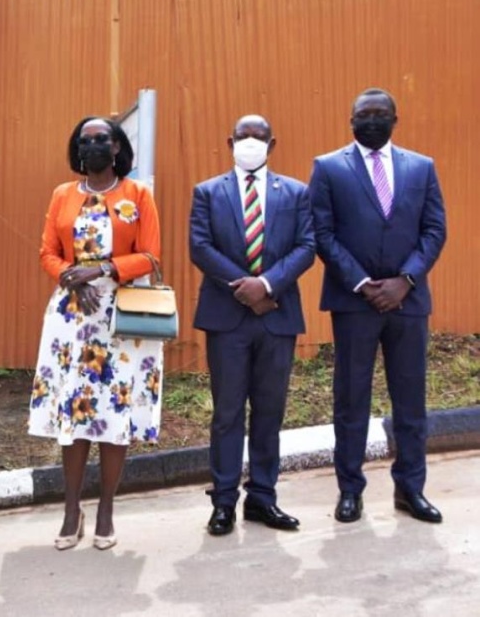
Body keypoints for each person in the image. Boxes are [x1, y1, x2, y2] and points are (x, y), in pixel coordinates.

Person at [310, 88, 447, 524]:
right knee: (351, 400)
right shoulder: (329, 168)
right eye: (363, 115)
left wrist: (405, 280)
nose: (371, 120)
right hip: (355, 303)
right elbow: (323, 233)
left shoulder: (421, 167)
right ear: (350, 120)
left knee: (410, 401)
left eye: (380, 114)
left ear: (395, 118)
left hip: (408, 301)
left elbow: (434, 229)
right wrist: (364, 283)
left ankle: (411, 489)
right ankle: (350, 490)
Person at [28, 117, 162, 551]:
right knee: (74, 413)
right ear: (77, 149)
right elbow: (48, 252)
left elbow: (150, 255)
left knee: (113, 414)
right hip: (72, 314)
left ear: (118, 146)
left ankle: (105, 509)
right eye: (86, 141)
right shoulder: (62, 195)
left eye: (102, 139)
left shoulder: (138, 194)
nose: (94, 146)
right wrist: (72, 277)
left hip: (122, 317)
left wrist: (103, 269)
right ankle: (72, 509)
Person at [189, 115, 315, 536]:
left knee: (269, 411)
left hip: (277, 314)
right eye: (243, 136)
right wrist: (242, 288)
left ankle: (263, 497)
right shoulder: (207, 192)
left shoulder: (296, 192)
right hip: (227, 319)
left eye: (258, 137)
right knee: (227, 413)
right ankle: (223, 500)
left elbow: (306, 246)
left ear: (272, 144)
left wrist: (265, 285)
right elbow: (201, 247)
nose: (250, 142)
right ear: (230, 141)